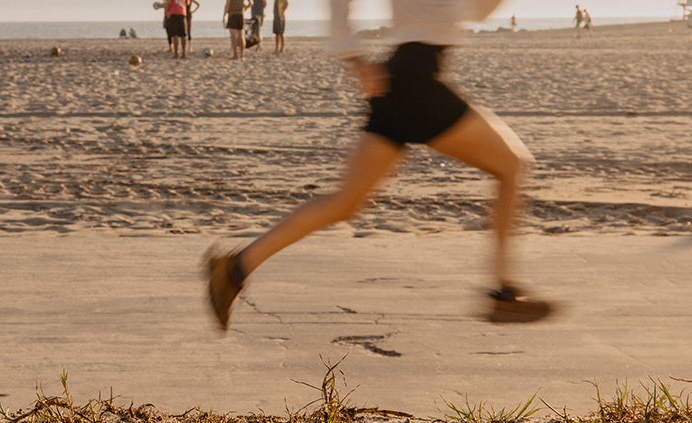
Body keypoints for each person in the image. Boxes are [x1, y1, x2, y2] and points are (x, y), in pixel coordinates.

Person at [203, 0, 553, 331]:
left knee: (345, 203)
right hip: (416, 83)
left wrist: (357, 59)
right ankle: (504, 291)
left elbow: (473, 11)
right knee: (511, 165)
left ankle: (235, 267)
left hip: (397, 84)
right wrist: (354, 59)